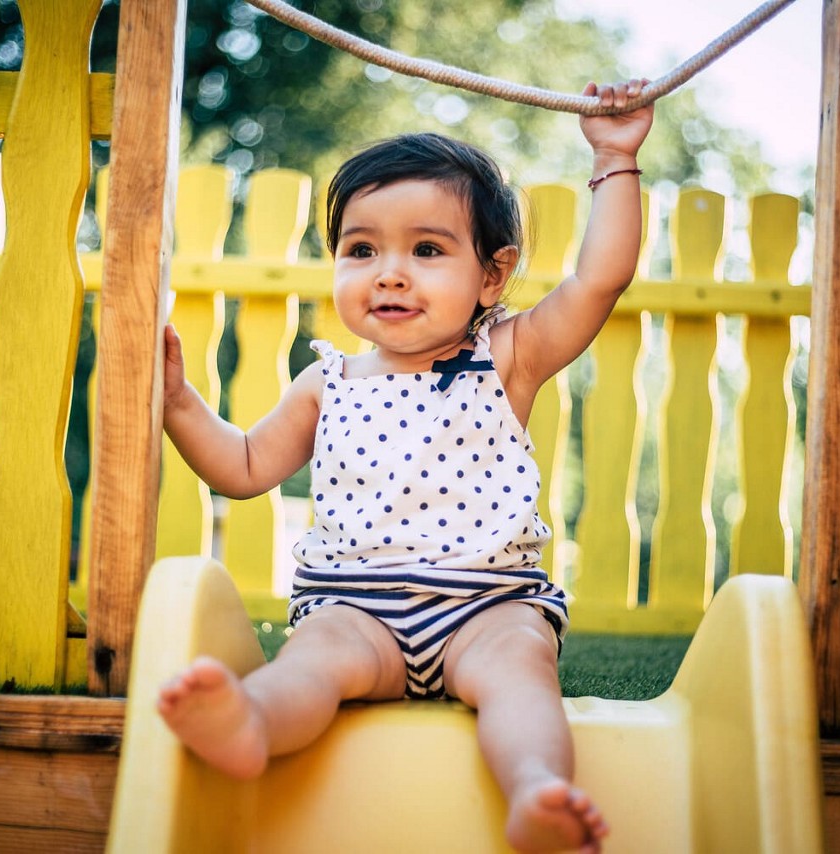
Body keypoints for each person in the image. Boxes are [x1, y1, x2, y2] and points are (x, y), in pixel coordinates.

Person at [158, 79, 653, 853]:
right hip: (354, 609)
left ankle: (535, 791)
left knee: (522, 670)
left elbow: (599, 281)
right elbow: (245, 465)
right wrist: (180, 404)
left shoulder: (507, 355)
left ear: (491, 276)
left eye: (427, 250)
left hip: (486, 608)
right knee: (311, 661)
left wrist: (615, 158)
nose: (389, 272)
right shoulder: (327, 383)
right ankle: (252, 723)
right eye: (362, 250)